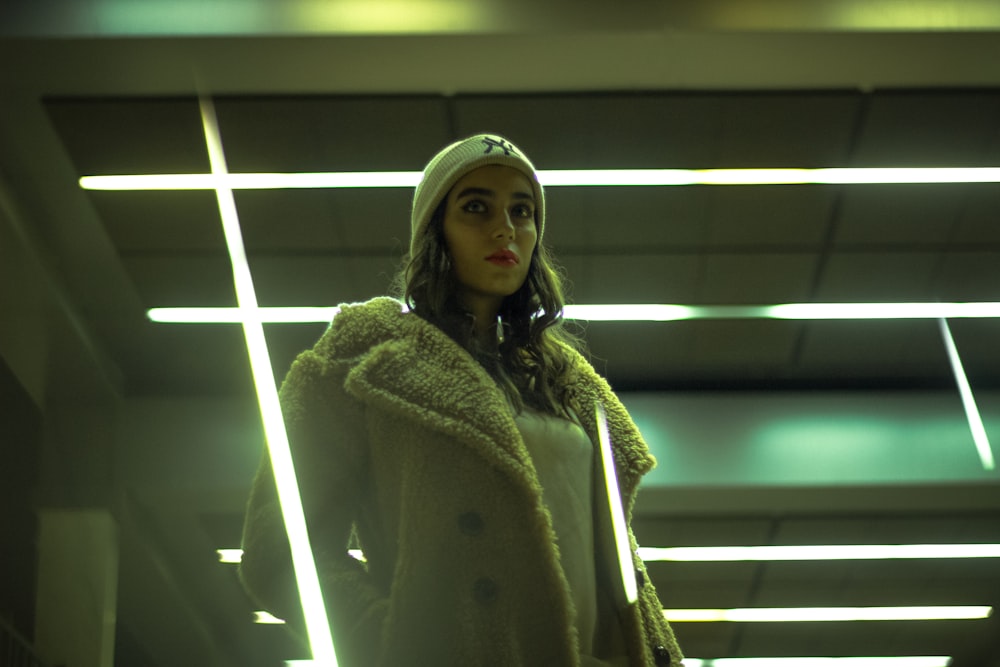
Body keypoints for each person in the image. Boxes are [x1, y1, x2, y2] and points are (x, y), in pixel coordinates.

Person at [238, 134, 684, 666]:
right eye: (476, 207)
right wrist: (392, 641)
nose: (505, 229)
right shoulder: (363, 363)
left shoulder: (566, 384)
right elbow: (277, 551)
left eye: (522, 211)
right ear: (435, 231)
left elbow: (613, 561)